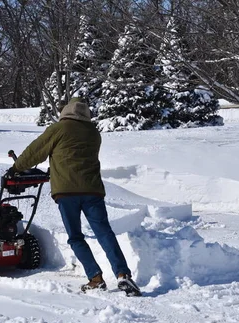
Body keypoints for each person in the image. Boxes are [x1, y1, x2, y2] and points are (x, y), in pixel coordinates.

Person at [7, 97, 141, 296]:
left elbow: (36, 152)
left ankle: (95, 278)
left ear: (66, 111)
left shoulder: (59, 129)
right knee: (104, 232)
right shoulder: (93, 133)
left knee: (76, 237)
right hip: (93, 190)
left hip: (66, 192)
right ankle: (123, 274)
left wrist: (16, 168)